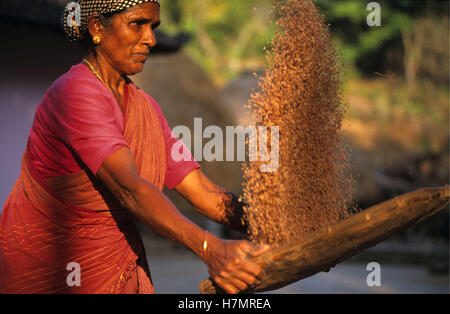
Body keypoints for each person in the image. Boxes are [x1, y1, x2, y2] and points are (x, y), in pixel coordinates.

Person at [0, 0, 269, 294]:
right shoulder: (76, 93)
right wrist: (208, 247)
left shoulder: (145, 108)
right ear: (96, 28)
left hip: (116, 270)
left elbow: (201, 190)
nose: (150, 39)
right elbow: (129, 189)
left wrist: (268, 224)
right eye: (137, 24)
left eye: (153, 27)